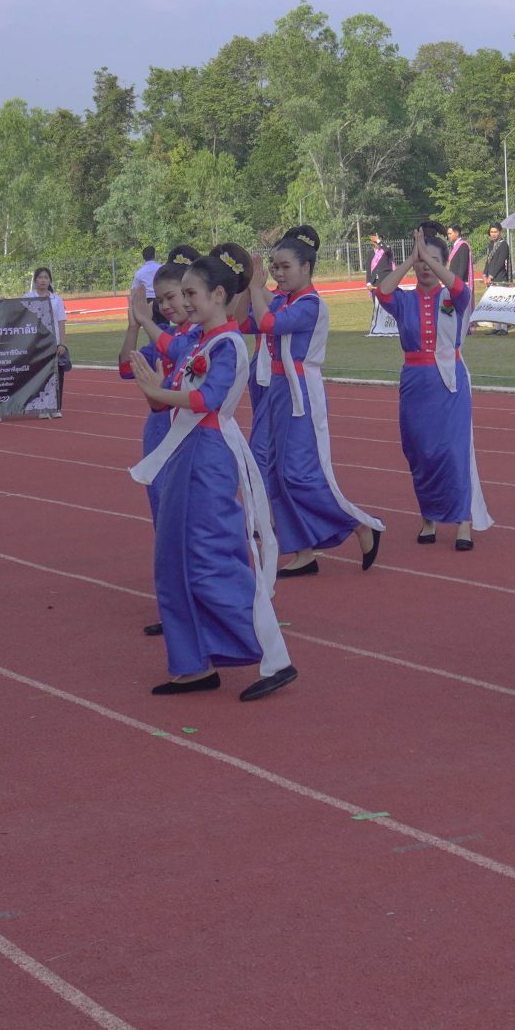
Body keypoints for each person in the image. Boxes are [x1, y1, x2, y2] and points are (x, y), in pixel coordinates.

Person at [126, 245, 299, 703]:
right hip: (184, 454)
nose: (183, 303)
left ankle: (273, 654)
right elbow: (171, 350)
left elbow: (208, 399)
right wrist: (142, 321)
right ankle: (192, 664)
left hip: (207, 457)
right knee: (173, 558)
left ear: (218, 295)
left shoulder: (227, 344)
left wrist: (159, 392)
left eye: (191, 294)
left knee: (210, 557)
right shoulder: (198, 341)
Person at [250, 226, 383, 576]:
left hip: (301, 393)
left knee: (297, 474)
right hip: (279, 389)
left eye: (285, 267)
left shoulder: (309, 304)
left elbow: (267, 323)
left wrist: (254, 286)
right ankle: (303, 551)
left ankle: (358, 523)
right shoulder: (284, 299)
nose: (278, 273)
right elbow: (247, 317)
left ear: (306, 268)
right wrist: (249, 283)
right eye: (274, 267)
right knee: (277, 473)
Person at [372, 223, 492, 549]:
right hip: (415, 383)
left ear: (443, 264)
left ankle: (463, 521)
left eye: (433, 260)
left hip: (449, 382)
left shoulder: (453, 296)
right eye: (421, 261)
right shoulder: (403, 301)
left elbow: (461, 289)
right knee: (420, 452)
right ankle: (429, 518)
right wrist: (412, 258)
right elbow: (382, 292)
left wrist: (430, 259)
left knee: (453, 452)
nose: (426, 266)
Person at [120, 251, 201, 639]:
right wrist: (133, 325)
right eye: (161, 299)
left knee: (189, 524)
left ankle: (199, 606)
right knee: (163, 523)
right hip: (158, 431)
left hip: (187, 433)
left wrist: (148, 322)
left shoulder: (197, 337)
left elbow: (178, 353)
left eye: (173, 297)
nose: (167, 306)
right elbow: (126, 366)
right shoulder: (163, 333)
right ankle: (175, 609)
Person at [25, 267, 68, 418]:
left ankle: (55, 407)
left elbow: (61, 322)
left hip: (53, 342)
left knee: (57, 376)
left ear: (50, 280)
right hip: (36, 343)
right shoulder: (28, 297)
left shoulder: (57, 299)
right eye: (40, 277)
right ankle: (42, 407)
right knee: (39, 376)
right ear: (35, 280)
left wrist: (62, 343)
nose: (43, 280)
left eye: (46, 277)